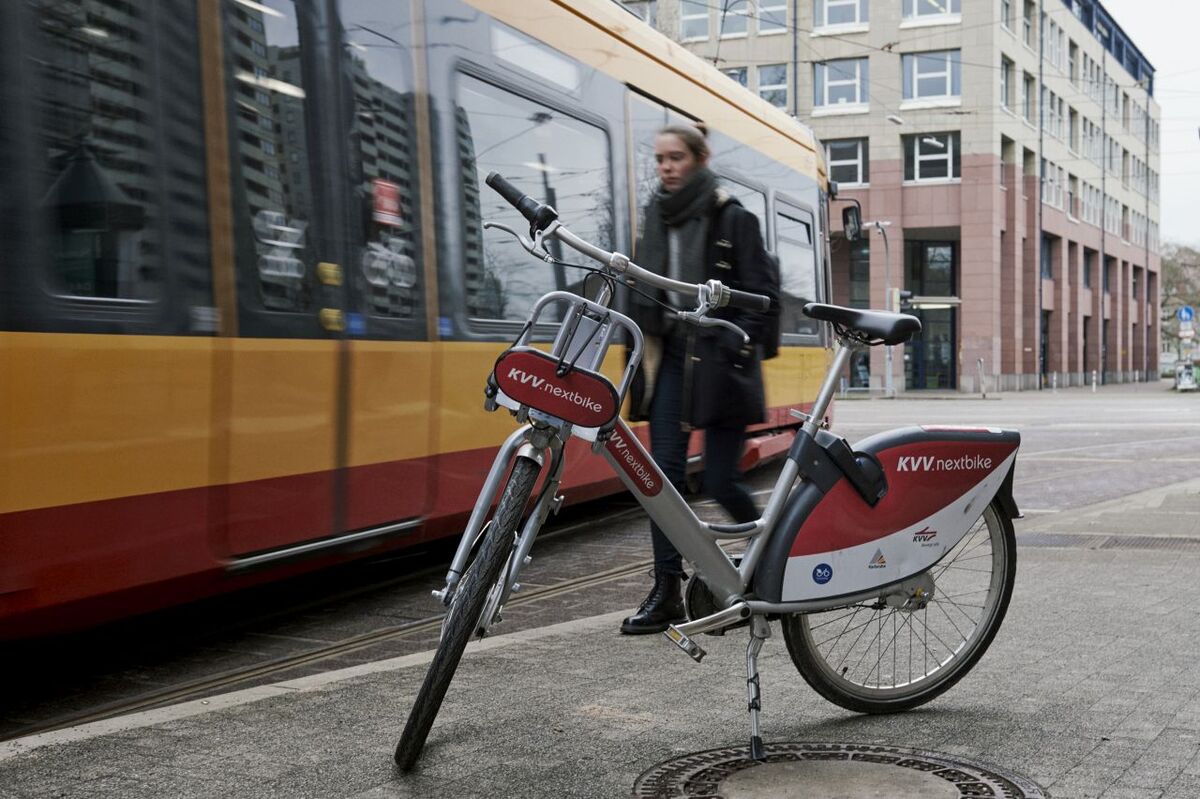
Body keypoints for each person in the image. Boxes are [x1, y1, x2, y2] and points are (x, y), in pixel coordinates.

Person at [620, 124, 779, 635]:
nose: (666, 167)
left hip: (719, 364)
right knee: (660, 482)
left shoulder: (733, 218)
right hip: (670, 362)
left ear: (700, 158)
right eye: (660, 158)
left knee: (718, 478)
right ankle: (667, 590)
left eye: (676, 157)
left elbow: (763, 295)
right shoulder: (654, 218)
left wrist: (735, 343)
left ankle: (768, 564)